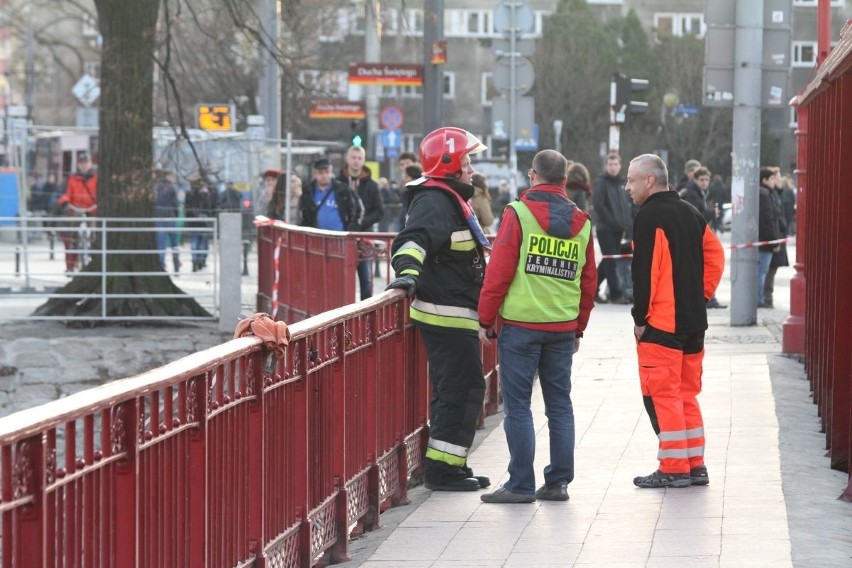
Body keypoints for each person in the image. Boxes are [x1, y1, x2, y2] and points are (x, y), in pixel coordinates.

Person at [478, 149, 597, 504]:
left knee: (518, 406)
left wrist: (486, 318)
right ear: (564, 181)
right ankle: (558, 483)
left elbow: (497, 272)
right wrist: (579, 328)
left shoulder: (517, 214)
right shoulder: (583, 223)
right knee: (559, 404)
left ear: (532, 176)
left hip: (520, 327)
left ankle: (520, 485)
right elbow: (588, 282)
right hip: (561, 328)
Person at [386, 127, 491, 492]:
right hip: (444, 313)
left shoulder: (449, 198)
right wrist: (407, 276)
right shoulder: (435, 200)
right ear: (449, 165)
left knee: (463, 388)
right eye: (467, 160)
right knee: (458, 389)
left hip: (456, 311)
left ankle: (453, 465)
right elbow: (413, 241)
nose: (472, 168)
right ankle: (442, 471)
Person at [624, 153, 724, 488]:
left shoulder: (649, 216)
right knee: (685, 394)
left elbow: (645, 272)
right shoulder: (692, 212)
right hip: (694, 323)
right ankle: (696, 464)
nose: (628, 187)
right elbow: (716, 255)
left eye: (632, 180)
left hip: (662, 324)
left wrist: (640, 317)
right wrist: (702, 295)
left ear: (649, 181)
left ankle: (673, 467)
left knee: (663, 396)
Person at [338, 145, 384, 300]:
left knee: (366, 280)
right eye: (353, 157)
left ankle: (366, 319)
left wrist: (361, 224)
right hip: (342, 237)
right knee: (340, 278)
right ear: (347, 159)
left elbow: (379, 211)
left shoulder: (371, 185)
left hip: (364, 238)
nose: (356, 161)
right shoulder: (338, 183)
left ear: (364, 161)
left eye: (359, 158)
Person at [682, 167, 726, 309]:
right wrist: (711, 213)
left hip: (699, 234)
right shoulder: (691, 193)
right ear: (695, 179)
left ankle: (708, 297)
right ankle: (706, 298)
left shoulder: (700, 193)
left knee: (704, 267)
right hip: (693, 235)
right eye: (701, 180)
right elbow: (695, 214)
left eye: (707, 180)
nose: (704, 182)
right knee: (701, 267)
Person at [591, 152, 632, 304]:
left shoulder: (622, 183)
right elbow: (599, 206)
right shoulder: (601, 182)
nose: (613, 167)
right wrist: (612, 221)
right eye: (610, 164)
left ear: (620, 166)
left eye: (615, 164)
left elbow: (626, 205)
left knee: (609, 259)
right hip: (605, 228)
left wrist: (627, 224)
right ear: (606, 166)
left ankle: (591, 290)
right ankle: (616, 294)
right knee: (611, 260)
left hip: (619, 229)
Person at [55, 151, 98, 272]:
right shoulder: (72, 178)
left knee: (94, 228)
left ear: (91, 163)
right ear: (78, 164)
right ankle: (74, 245)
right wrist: (65, 202)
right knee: (73, 227)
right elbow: (67, 193)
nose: (84, 165)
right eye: (81, 163)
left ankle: (93, 249)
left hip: (93, 208)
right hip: (76, 208)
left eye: (86, 162)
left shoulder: (97, 177)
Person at [298, 157, 359, 232]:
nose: (324, 175)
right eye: (320, 173)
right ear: (315, 174)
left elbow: (356, 209)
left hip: (339, 236)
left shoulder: (343, 190)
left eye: (327, 172)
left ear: (331, 173)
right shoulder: (308, 192)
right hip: (316, 237)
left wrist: (351, 229)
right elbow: (305, 215)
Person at [763, 168, 789, 309]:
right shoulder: (769, 195)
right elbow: (770, 219)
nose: (779, 181)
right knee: (768, 271)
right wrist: (774, 240)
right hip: (774, 238)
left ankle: (767, 298)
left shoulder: (776, 195)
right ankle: (766, 298)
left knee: (770, 270)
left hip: (777, 236)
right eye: (776, 178)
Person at [758, 167, 782, 308]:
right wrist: (774, 242)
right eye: (772, 179)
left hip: (763, 240)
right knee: (762, 272)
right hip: (765, 241)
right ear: (765, 180)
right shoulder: (765, 195)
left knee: (762, 272)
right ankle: (760, 299)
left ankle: (760, 298)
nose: (774, 181)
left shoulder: (767, 193)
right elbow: (768, 219)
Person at [184, 176, 217, 272]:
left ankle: (194, 261)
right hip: (203, 221)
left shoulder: (188, 194)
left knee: (194, 242)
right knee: (203, 242)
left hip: (192, 222)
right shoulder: (205, 194)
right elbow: (209, 207)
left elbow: (186, 208)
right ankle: (201, 261)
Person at [152, 169, 181, 273]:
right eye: (172, 177)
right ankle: (176, 262)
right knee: (174, 242)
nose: (173, 179)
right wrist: (176, 215)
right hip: (170, 217)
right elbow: (176, 204)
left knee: (161, 243)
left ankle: (161, 263)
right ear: (168, 176)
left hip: (158, 217)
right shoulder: (172, 188)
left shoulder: (154, 188)